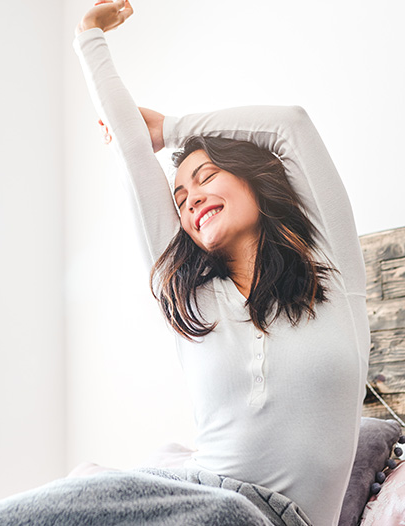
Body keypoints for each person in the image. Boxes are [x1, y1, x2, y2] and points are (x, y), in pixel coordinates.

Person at [72, 2, 371, 526]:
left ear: (252, 182)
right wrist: (89, 37)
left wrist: (174, 128)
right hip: (194, 500)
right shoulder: (192, 300)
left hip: (266, 519)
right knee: (67, 497)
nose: (190, 198)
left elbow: (291, 126)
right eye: (181, 194)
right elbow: (132, 153)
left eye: (207, 176)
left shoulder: (334, 275)